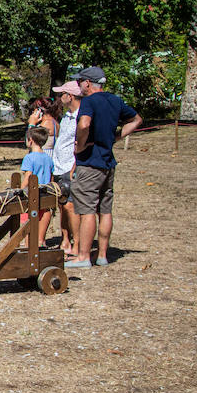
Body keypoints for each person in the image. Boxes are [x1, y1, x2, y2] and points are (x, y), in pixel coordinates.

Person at [68, 66, 142, 269]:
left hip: (90, 163)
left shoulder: (89, 101)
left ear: (88, 83)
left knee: (87, 210)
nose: (79, 86)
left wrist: (80, 146)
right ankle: (101, 255)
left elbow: (84, 124)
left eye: (80, 82)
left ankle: (83, 256)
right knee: (105, 209)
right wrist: (115, 138)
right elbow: (136, 120)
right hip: (108, 162)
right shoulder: (115, 100)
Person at [51, 80, 83, 258]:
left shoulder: (81, 117)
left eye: (61, 94)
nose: (59, 97)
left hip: (69, 166)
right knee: (62, 205)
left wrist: (74, 166)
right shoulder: (66, 117)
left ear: (69, 96)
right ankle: (65, 239)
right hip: (58, 166)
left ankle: (77, 243)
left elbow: (81, 143)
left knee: (71, 206)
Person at [20, 126, 54, 236]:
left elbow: (28, 176)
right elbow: (51, 176)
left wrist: (19, 190)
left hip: (31, 195)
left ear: (30, 140)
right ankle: (41, 242)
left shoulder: (29, 158)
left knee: (28, 229)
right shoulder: (48, 158)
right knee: (43, 219)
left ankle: (27, 246)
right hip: (45, 195)